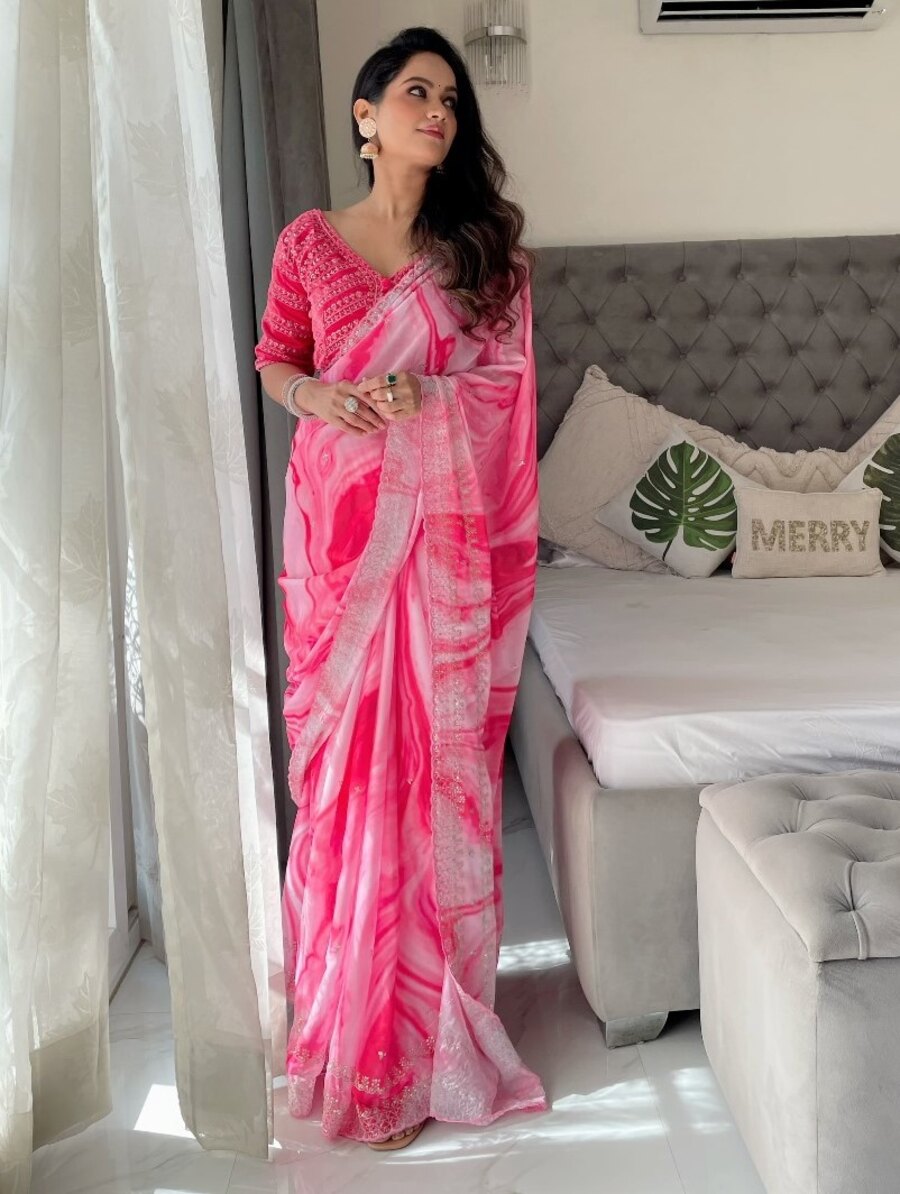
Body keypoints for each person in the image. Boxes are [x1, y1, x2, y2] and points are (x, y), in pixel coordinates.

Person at [255, 25, 547, 1151]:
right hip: (339, 544)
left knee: (429, 774)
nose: (438, 111)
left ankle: (424, 1038)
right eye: (417, 92)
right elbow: (277, 357)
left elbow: (504, 393)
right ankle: (352, 1028)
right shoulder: (309, 242)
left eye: (452, 99)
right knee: (350, 781)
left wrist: (427, 399)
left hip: (439, 551)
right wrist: (322, 399)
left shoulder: (483, 257)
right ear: (366, 116)